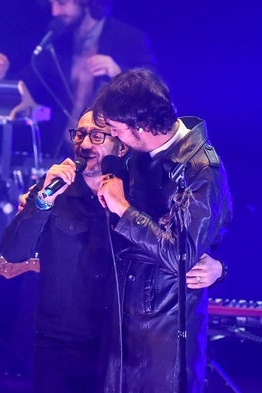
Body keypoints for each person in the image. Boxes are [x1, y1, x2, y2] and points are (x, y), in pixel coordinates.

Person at [0, 108, 225, 393]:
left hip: (120, 347)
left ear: (120, 146)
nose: (84, 144)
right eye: (79, 134)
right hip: (61, 344)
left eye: (96, 136)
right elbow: (13, 252)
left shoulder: (140, 195)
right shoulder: (53, 190)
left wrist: (219, 269)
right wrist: (42, 201)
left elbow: (182, 244)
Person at [93, 68, 232, 392]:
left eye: (117, 130)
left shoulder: (201, 170)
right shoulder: (141, 154)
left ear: (141, 126)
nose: (116, 138)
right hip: (124, 312)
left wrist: (124, 209)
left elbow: (181, 253)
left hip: (167, 322)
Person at [0, 0, 156, 157]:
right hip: (65, 148)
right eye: (52, 4)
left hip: (111, 151)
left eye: (61, 3)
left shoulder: (127, 37)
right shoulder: (59, 42)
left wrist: (118, 71)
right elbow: (30, 83)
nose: (55, 11)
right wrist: (3, 75)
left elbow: (155, 88)